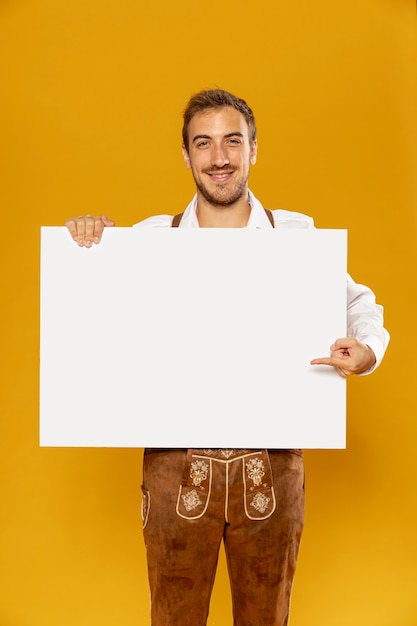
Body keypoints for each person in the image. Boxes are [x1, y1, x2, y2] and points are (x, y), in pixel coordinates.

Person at [65, 89, 389, 626]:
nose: (219, 158)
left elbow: (360, 303)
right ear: (187, 156)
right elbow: (91, 307)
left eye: (232, 141)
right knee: (174, 618)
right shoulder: (150, 240)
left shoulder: (297, 237)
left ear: (254, 149)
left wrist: (368, 350)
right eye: (204, 143)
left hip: (272, 464)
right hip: (177, 466)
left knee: (267, 617)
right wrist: (87, 241)